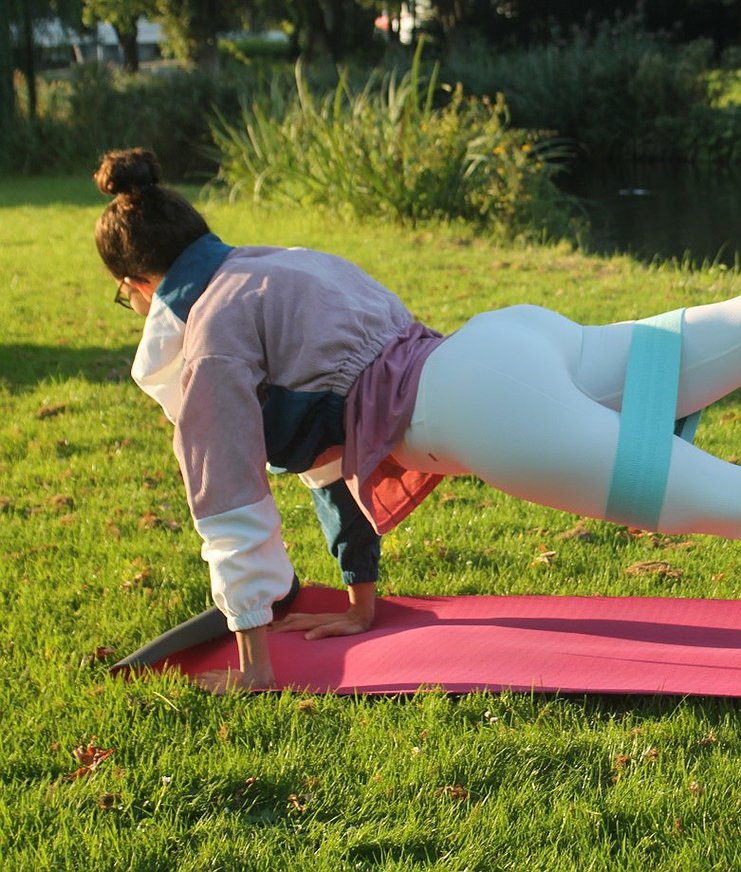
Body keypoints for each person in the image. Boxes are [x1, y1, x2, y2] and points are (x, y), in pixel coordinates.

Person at [94, 147, 741, 694]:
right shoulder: (282, 261)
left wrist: (255, 665)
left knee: (712, 499)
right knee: (713, 338)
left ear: (139, 284)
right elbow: (332, 472)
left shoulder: (211, 338)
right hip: (515, 337)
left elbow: (230, 505)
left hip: (485, 405)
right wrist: (358, 606)